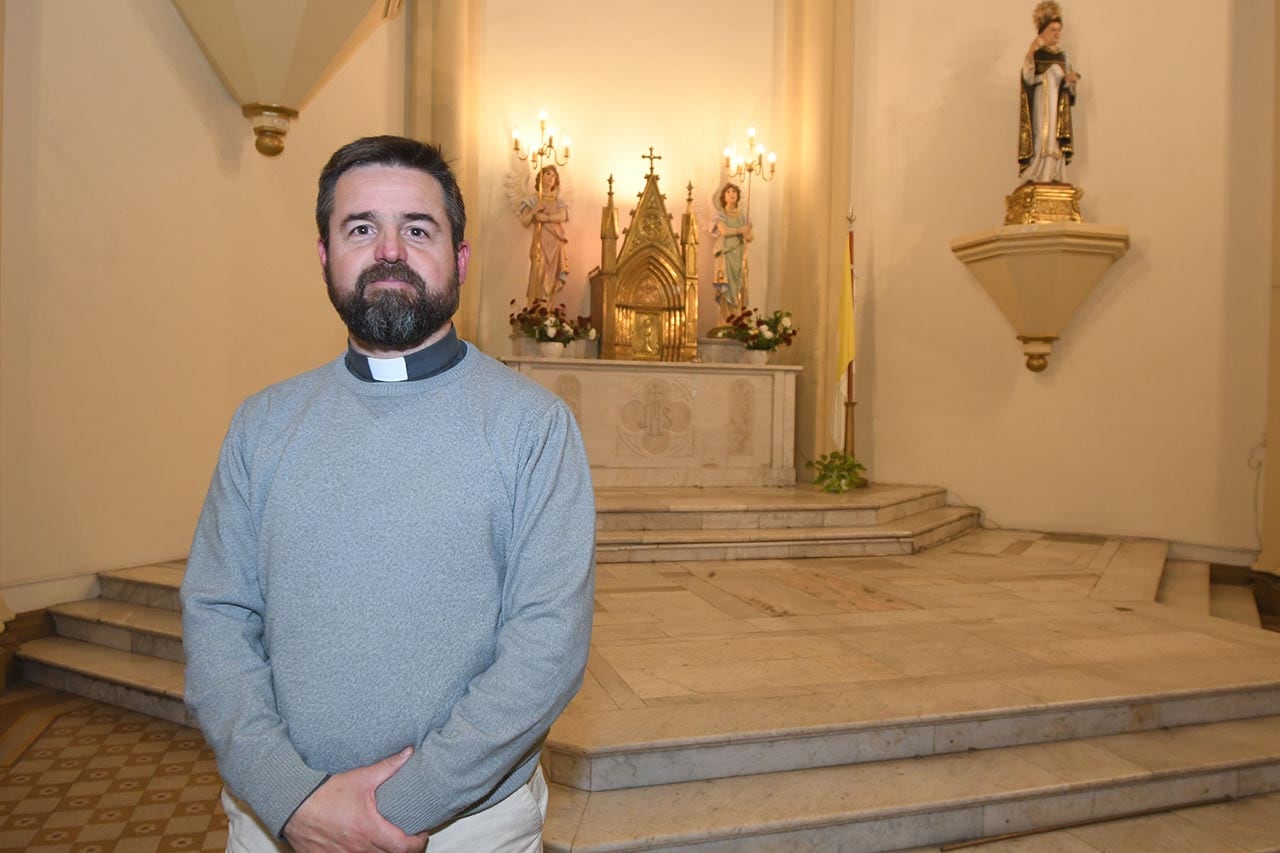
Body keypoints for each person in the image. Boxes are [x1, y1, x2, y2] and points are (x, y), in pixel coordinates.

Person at [180, 135, 596, 853]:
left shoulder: (534, 428)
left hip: (463, 828)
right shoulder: (264, 424)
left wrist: (397, 809)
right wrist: (294, 798)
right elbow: (216, 618)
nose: (389, 250)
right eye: (361, 227)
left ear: (460, 258)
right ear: (325, 256)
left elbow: (546, 649)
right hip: (276, 822)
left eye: (418, 228)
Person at [1018, 1, 1081, 183]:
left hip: (1058, 105)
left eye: (1059, 30)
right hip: (1042, 102)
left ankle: (1054, 172)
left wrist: (1071, 81)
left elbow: (1069, 88)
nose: (1057, 34)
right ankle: (1039, 170)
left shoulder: (1063, 56)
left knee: (1055, 138)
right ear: (1043, 31)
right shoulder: (1037, 55)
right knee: (1042, 136)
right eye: (1053, 30)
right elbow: (1028, 77)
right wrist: (1032, 49)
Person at [520, 164, 570, 303]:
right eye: (548, 174)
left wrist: (546, 218)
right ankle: (534, 310)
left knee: (552, 279)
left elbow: (563, 216)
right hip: (540, 243)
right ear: (540, 177)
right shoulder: (534, 199)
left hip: (555, 243)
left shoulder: (558, 200)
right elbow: (524, 221)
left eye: (554, 176)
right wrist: (534, 211)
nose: (551, 177)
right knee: (538, 274)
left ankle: (547, 312)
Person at [710, 181, 753, 323]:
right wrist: (741, 230)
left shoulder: (743, 215)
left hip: (739, 256)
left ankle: (738, 322)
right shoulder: (720, 214)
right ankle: (725, 322)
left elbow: (750, 237)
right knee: (727, 288)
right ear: (724, 197)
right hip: (726, 255)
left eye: (734, 192)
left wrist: (747, 233)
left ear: (738, 195)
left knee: (739, 287)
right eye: (728, 192)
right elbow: (724, 231)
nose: (731, 194)